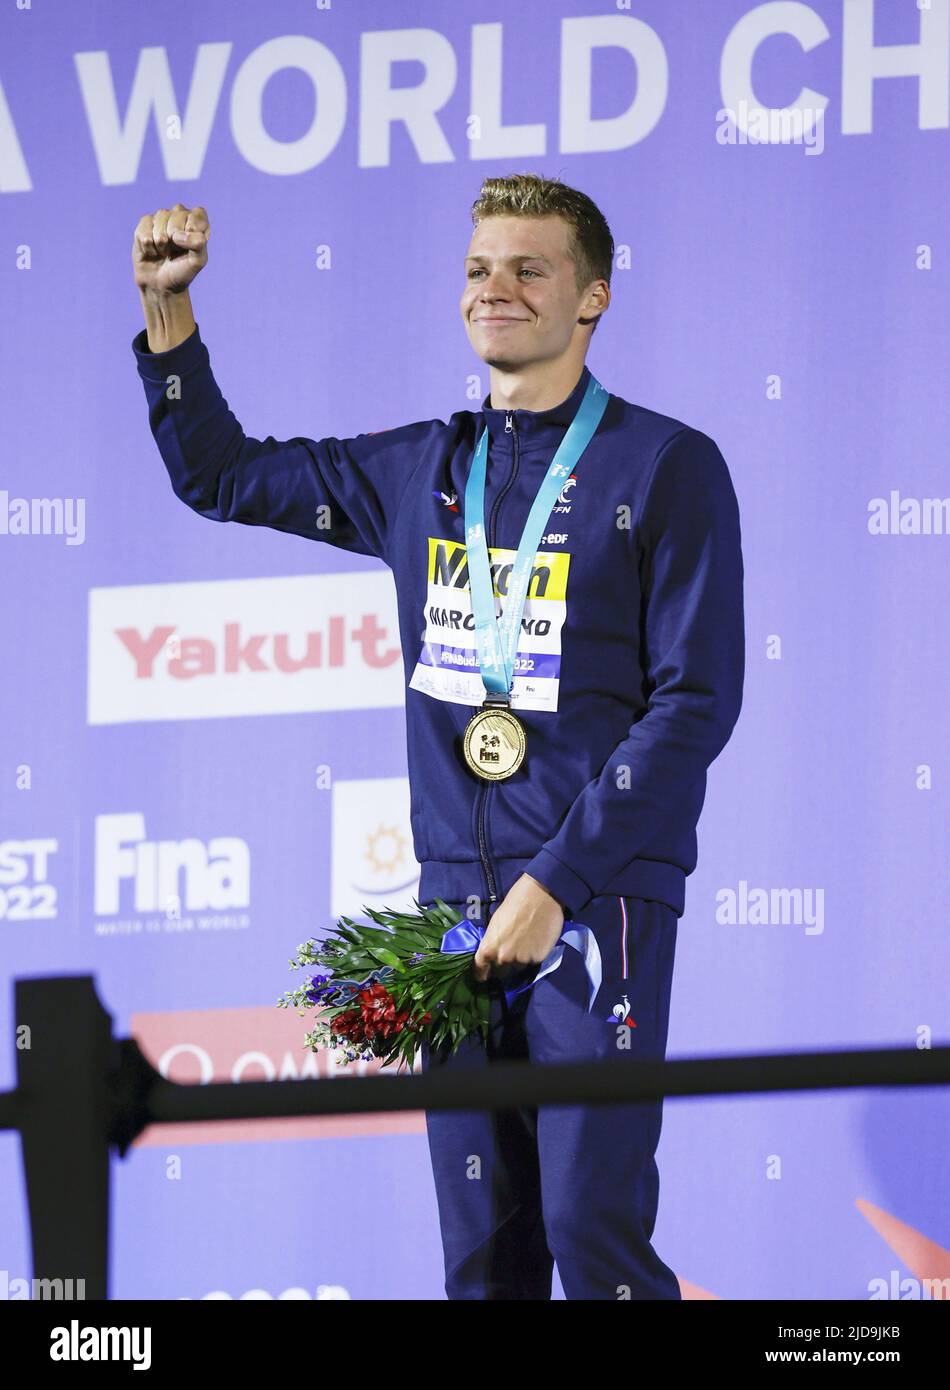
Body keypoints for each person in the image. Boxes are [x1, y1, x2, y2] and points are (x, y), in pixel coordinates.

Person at [130, 173, 745, 1300]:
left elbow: (695, 700)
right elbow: (219, 475)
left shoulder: (662, 465)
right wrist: (170, 317)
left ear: (592, 296)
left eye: (527, 268)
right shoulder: (421, 470)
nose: (493, 289)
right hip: (446, 911)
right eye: (475, 270)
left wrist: (557, 879)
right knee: (481, 1254)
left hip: (590, 896)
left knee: (586, 1225)